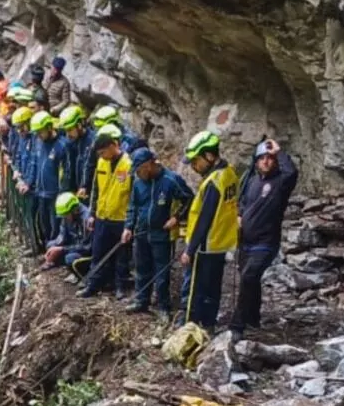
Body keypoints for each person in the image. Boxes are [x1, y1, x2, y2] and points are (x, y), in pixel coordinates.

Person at [232, 138, 300, 337]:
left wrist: (279, 152)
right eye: (262, 158)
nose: (266, 161)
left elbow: (292, 173)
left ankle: (237, 326)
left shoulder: (281, 182)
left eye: (270, 158)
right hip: (246, 241)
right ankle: (253, 319)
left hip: (266, 243)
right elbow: (243, 202)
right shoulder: (251, 181)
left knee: (248, 277)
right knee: (250, 281)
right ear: (256, 161)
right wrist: (239, 216)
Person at [122, 147, 194, 318]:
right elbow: (133, 206)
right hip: (141, 232)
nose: (137, 174)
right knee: (142, 268)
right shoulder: (138, 182)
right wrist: (128, 227)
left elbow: (189, 198)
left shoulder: (170, 179)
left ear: (148, 165)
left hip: (162, 234)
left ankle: (163, 306)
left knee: (161, 271)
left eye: (139, 170)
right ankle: (142, 300)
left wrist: (176, 217)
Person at [179, 130, 239, 330]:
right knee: (213, 289)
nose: (194, 166)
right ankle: (209, 325)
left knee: (196, 291)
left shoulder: (213, 182)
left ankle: (190, 328)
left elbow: (204, 219)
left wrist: (190, 250)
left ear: (210, 156)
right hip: (221, 243)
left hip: (205, 245)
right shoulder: (230, 173)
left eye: (196, 161)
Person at [79, 124, 134, 299]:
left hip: (120, 218)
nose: (102, 156)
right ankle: (93, 285)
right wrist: (92, 214)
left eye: (103, 152)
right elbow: (96, 190)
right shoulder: (101, 163)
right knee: (98, 253)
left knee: (121, 256)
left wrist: (130, 224)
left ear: (113, 146)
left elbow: (133, 196)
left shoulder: (129, 165)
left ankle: (120, 287)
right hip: (102, 216)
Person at [22, 111, 66, 255]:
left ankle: (52, 254)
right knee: (43, 223)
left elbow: (65, 173)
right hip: (40, 191)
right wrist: (28, 182)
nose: (38, 135)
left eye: (40, 132)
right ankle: (44, 249)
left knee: (55, 226)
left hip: (55, 193)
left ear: (49, 128)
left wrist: (61, 192)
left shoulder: (61, 145)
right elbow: (34, 163)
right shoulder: (38, 142)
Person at [46, 192, 92, 278]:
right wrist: (54, 247)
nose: (64, 218)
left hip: (87, 253)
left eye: (65, 215)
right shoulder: (67, 216)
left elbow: (87, 247)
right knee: (50, 246)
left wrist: (62, 249)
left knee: (70, 258)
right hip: (74, 245)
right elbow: (62, 236)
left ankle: (86, 277)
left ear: (74, 210)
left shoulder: (87, 220)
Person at [57, 106, 95, 196]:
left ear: (79, 125)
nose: (67, 134)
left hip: (87, 193)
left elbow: (89, 167)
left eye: (70, 130)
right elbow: (68, 169)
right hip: (74, 191)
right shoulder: (70, 142)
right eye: (66, 131)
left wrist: (84, 186)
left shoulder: (92, 141)